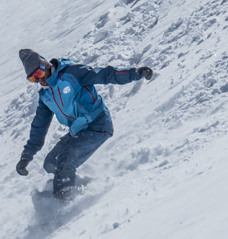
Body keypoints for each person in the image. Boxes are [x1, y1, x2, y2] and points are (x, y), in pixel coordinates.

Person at [13, 48, 152, 199]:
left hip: (98, 124)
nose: (39, 80)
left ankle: (61, 205)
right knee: (50, 163)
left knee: (65, 163)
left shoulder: (71, 73)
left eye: (38, 74)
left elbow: (104, 74)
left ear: (45, 65)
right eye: (33, 79)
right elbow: (39, 126)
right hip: (78, 130)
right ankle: (73, 187)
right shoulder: (45, 95)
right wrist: (27, 155)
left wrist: (136, 73)